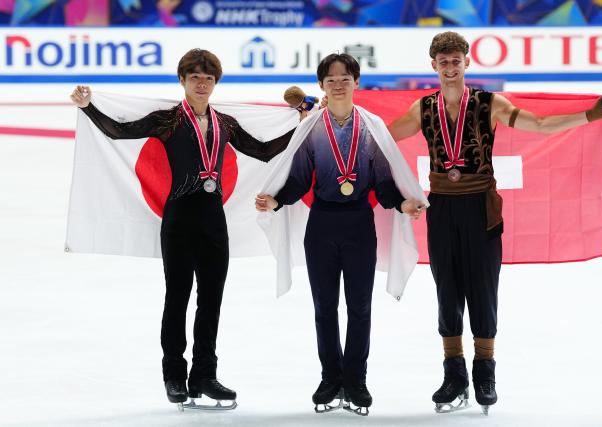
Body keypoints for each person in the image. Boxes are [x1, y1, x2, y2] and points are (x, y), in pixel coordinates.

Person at [388, 31, 602, 415]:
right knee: (447, 291)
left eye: (456, 60)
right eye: (443, 62)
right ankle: (453, 374)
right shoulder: (423, 109)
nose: (449, 67)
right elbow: (381, 139)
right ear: (433, 66)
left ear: (466, 63)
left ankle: (485, 373)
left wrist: (589, 114)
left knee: (482, 290)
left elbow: (540, 125)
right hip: (441, 207)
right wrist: (334, 115)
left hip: (481, 209)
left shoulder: (490, 104)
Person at [69, 48, 296, 409]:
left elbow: (265, 151)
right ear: (182, 80)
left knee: (211, 300)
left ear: (216, 82)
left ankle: (205, 375)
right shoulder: (168, 120)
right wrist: (88, 106)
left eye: (208, 78)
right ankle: (174, 374)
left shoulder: (226, 124)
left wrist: (303, 123)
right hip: (178, 220)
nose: (202, 84)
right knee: (177, 297)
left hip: (213, 222)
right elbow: (118, 131)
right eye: (195, 78)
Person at [255, 53, 424, 416]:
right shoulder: (311, 127)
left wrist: (401, 205)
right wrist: (277, 200)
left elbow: (382, 178)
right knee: (324, 308)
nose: (337, 84)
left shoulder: (372, 126)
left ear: (356, 82)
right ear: (321, 85)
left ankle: (356, 380)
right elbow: (299, 177)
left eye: (344, 78)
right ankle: (330, 378)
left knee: (360, 308)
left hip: (359, 224)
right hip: (322, 225)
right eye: (330, 79)